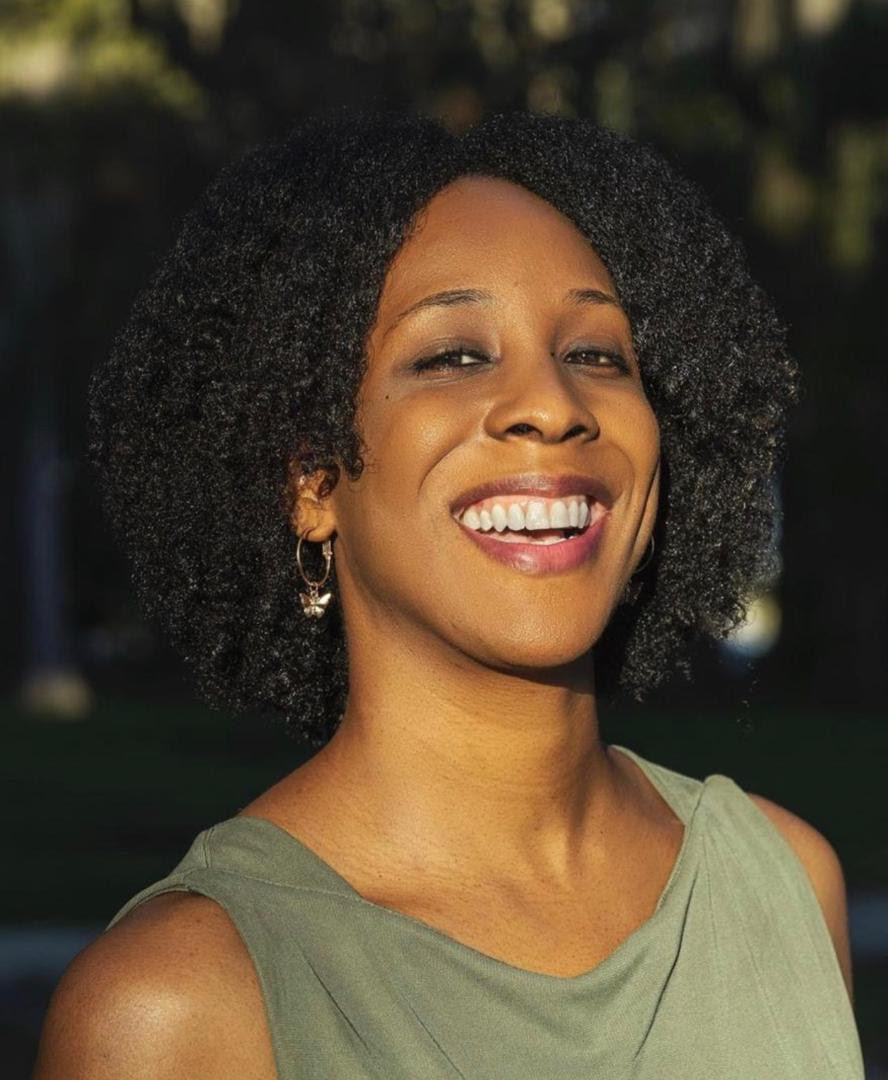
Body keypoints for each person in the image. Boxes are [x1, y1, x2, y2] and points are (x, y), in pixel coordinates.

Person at [34, 111, 863, 1079]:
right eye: (454, 357)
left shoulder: (785, 883)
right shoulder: (178, 1007)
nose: (553, 406)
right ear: (312, 485)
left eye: (597, 354)